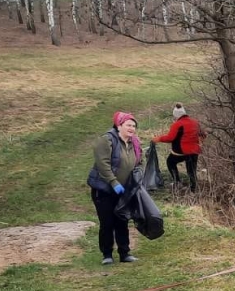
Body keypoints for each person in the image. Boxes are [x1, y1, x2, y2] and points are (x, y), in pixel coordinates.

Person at [87, 111, 142, 265]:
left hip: (123, 190)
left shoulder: (134, 143)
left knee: (122, 220)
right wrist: (113, 182)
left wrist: (137, 177)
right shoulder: (106, 140)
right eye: (128, 125)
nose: (132, 128)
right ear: (119, 126)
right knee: (107, 222)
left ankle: (124, 253)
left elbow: (138, 162)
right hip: (104, 189)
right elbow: (102, 164)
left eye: (134, 126)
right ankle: (107, 255)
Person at [152, 103, 203, 192]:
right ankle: (194, 190)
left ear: (175, 115)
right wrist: (198, 142)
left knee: (170, 162)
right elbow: (203, 134)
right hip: (195, 150)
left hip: (181, 151)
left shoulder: (177, 124)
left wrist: (159, 138)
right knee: (191, 170)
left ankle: (177, 182)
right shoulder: (195, 122)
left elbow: (170, 138)